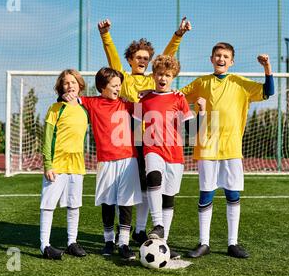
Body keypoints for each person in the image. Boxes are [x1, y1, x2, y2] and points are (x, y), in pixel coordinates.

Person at [97, 17, 192, 245]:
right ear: (130, 59)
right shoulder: (124, 78)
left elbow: (166, 59)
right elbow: (113, 59)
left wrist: (178, 35)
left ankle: (141, 230)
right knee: (134, 190)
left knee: (151, 185)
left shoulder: (155, 78)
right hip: (127, 140)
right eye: (138, 57)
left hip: (150, 140)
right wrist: (106, 35)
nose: (142, 60)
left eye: (145, 58)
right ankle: (126, 234)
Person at [181, 42, 275, 259]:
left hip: (232, 148)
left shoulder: (240, 83)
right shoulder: (201, 83)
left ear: (231, 62)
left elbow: (268, 91)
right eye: (217, 55)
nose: (221, 59)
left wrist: (267, 67)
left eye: (225, 56)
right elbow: (178, 98)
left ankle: (232, 243)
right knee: (206, 193)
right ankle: (204, 243)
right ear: (211, 58)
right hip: (206, 147)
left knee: (232, 194)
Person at [133, 54, 206, 260]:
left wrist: (202, 112)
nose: (163, 78)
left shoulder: (179, 98)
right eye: (159, 74)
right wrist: (138, 155)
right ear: (153, 75)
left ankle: (162, 242)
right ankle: (157, 224)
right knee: (153, 177)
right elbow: (137, 130)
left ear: (173, 76)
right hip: (152, 149)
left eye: (167, 75)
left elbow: (192, 132)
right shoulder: (144, 99)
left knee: (168, 197)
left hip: (175, 154)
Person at [80, 67, 142, 261]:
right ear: (102, 87)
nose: (118, 88)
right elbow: (74, 99)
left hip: (128, 158)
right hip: (106, 160)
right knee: (107, 201)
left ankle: (123, 242)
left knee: (126, 202)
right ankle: (108, 240)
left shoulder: (127, 104)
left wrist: (143, 95)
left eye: (119, 85)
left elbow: (144, 107)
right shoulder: (92, 103)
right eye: (114, 85)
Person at [39, 69, 89, 260]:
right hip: (57, 164)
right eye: (66, 83)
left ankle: (71, 242)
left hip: (77, 164)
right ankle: (45, 245)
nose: (70, 86)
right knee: (48, 205)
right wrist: (47, 164)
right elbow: (47, 138)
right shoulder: (55, 109)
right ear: (61, 87)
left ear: (80, 85)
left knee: (74, 205)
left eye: (73, 82)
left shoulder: (84, 109)